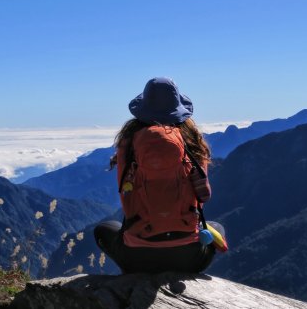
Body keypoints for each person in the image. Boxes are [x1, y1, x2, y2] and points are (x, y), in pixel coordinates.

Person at [94, 77, 223, 274]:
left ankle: (136, 270)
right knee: (216, 228)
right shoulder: (193, 145)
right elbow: (202, 198)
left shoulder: (127, 145)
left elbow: (125, 196)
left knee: (103, 229)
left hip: (137, 258)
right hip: (189, 258)